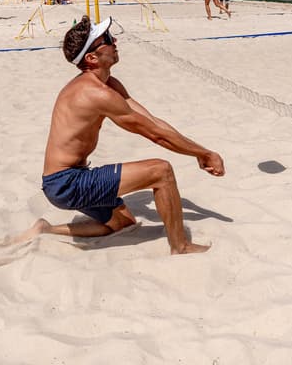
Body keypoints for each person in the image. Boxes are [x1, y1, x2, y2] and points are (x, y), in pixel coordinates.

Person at [13, 16, 225, 254]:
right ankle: (180, 245)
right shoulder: (94, 93)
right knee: (161, 171)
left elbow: (154, 122)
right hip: (66, 183)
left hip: (66, 179)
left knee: (123, 223)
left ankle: (46, 229)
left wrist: (200, 151)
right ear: (92, 58)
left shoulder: (109, 84)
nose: (114, 41)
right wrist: (202, 153)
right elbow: (156, 136)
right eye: (106, 39)